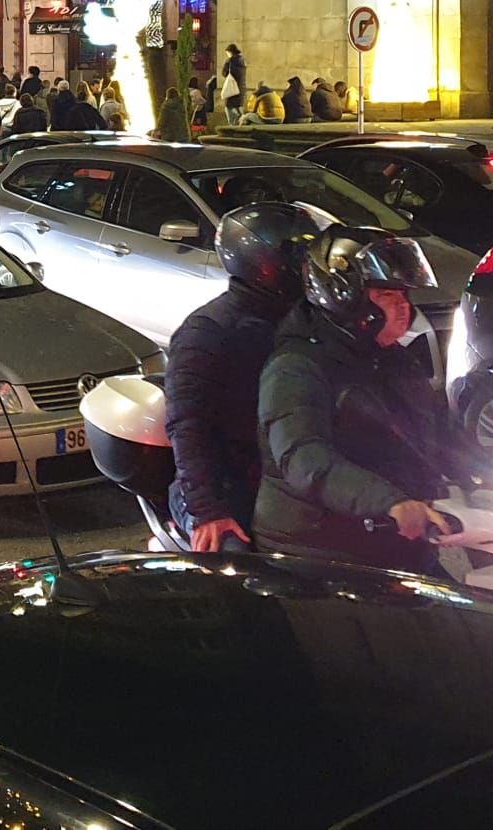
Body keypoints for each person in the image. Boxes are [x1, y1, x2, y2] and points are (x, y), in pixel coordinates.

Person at [253, 225, 453, 574]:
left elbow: (434, 428)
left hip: (390, 536)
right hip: (317, 548)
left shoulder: (391, 357)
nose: (404, 308)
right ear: (344, 297)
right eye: (387, 297)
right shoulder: (294, 368)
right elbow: (305, 459)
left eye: (404, 297)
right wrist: (390, 502)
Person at [166, 204, 324, 552]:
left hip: (286, 477)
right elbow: (187, 425)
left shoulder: (309, 320)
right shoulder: (208, 332)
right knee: (243, 572)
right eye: (299, 256)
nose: (307, 266)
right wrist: (207, 509)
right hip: (225, 486)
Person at [221, 44, 247, 125]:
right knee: (238, 107)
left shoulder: (230, 61)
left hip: (232, 89)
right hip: (241, 89)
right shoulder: (242, 61)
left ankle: (232, 126)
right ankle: (241, 122)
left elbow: (224, 73)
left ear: (230, 52)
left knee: (229, 108)